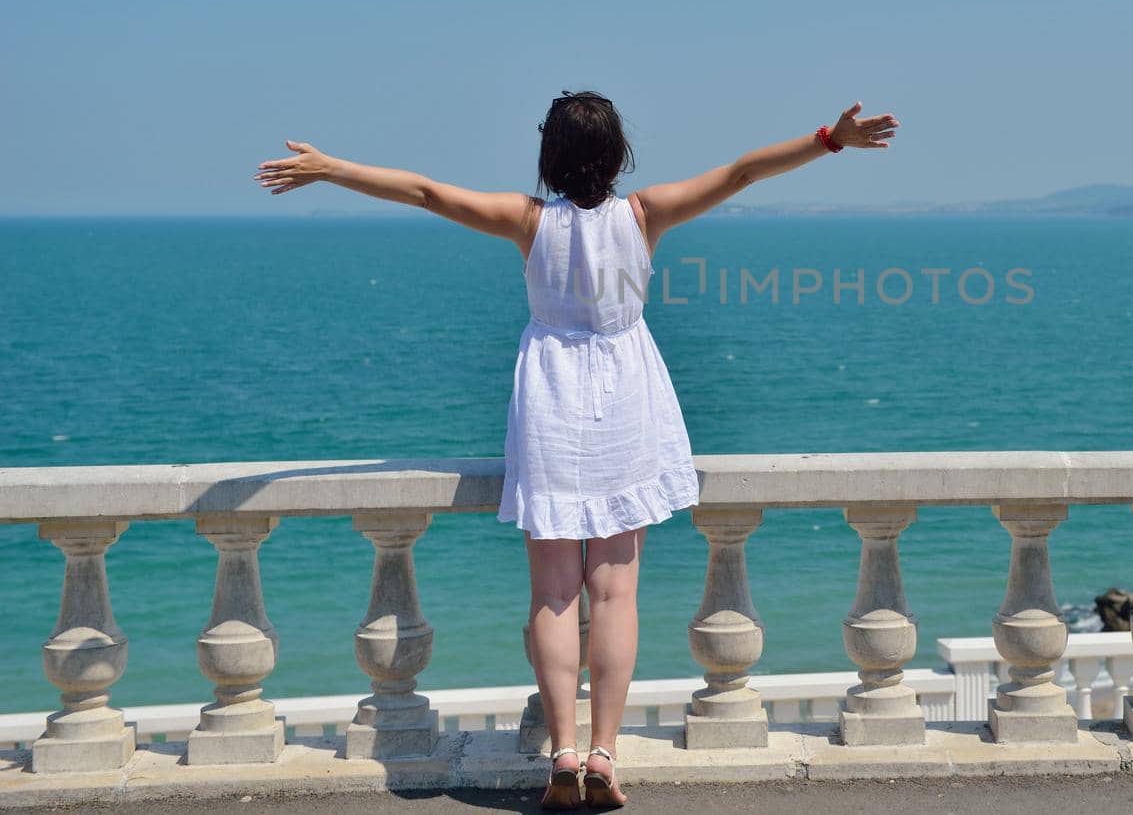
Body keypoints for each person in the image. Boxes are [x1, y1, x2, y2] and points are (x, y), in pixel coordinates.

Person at [254, 93, 898, 808]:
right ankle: (602, 753)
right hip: (628, 399)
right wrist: (828, 139)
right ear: (618, 153)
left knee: (554, 592)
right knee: (615, 591)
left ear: (550, 157)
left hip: (551, 401)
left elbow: (425, 191)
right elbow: (743, 173)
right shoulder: (645, 215)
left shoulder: (528, 222)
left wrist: (329, 168)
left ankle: (561, 748)